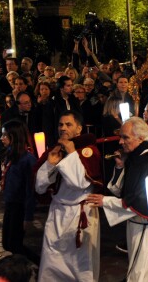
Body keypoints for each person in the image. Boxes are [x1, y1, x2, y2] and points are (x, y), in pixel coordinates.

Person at [86, 117, 148, 282]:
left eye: (125, 137)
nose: (120, 141)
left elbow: (138, 201)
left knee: (142, 273)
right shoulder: (136, 157)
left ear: (140, 138)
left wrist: (105, 201)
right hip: (135, 226)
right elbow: (122, 191)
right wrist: (119, 166)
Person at [35, 110, 103, 282]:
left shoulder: (89, 151)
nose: (63, 128)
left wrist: (72, 154)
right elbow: (40, 187)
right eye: (60, 124)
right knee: (51, 263)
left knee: (80, 266)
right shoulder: (55, 150)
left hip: (80, 214)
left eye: (68, 124)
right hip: (57, 213)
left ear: (79, 129)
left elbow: (79, 182)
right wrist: (50, 166)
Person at [0, 120, 36, 256]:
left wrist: (28, 217)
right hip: (9, 204)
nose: (1, 138)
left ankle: (38, 265)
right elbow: (4, 175)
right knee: (7, 243)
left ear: (14, 136)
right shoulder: (10, 155)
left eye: (5, 135)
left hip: (20, 206)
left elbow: (31, 190)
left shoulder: (28, 159)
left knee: (14, 244)